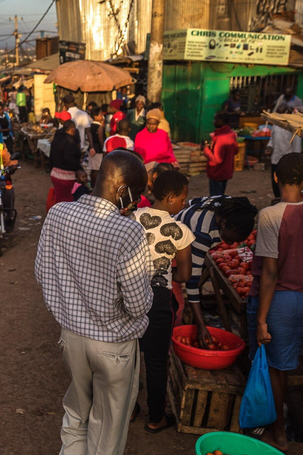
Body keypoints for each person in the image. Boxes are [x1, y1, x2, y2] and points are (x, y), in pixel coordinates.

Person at [35, 150, 152, 455]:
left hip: (71, 339)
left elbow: (42, 272)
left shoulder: (58, 214)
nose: (137, 202)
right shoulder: (129, 232)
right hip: (114, 346)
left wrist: (66, 308)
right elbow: (138, 306)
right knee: (107, 429)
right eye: (136, 194)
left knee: (75, 414)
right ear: (123, 190)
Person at [248, 152, 303, 452]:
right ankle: (277, 426)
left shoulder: (270, 215)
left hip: (276, 301)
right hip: (302, 300)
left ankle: (276, 431)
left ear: (276, 177)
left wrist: (260, 319)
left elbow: (269, 272)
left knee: (270, 369)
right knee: (281, 370)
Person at [132, 170, 194, 434]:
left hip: (129, 294)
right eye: (182, 199)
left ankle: (128, 408)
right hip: (158, 300)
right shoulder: (180, 231)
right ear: (170, 198)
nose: (184, 204)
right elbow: (184, 275)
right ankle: (156, 418)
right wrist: (164, 273)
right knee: (157, 361)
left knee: (128, 358)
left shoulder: (130, 219)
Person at [175, 196, 258, 346]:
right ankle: (170, 344)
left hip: (182, 235)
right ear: (224, 223)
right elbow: (192, 282)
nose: (231, 244)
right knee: (177, 306)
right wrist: (201, 325)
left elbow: (193, 202)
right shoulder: (202, 235)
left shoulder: (226, 203)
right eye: (231, 239)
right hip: (174, 247)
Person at [265, 105, 302, 198]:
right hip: (276, 158)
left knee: (286, 183)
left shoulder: (294, 127)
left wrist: (295, 162)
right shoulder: (276, 125)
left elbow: (296, 146)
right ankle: (277, 199)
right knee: (275, 182)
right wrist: (269, 146)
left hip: (288, 160)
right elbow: (272, 138)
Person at [49, 120, 86, 205]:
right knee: (67, 201)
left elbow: (51, 156)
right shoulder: (70, 142)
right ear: (72, 129)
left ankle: (57, 215)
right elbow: (69, 159)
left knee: (59, 199)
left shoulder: (57, 139)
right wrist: (79, 169)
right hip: (66, 178)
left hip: (55, 174)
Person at [203, 111, 238, 196]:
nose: (214, 122)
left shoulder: (220, 137)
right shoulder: (231, 134)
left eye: (215, 119)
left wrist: (206, 150)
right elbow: (235, 150)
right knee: (221, 196)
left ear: (221, 121)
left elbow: (217, 160)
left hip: (217, 173)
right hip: (226, 172)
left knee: (215, 199)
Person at [88, 104, 105, 186]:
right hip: (98, 150)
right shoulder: (99, 127)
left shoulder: (90, 126)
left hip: (92, 149)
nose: (102, 116)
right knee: (97, 169)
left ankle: (92, 184)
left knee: (93, 168)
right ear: (95, 116)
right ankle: (95, 185)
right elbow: (101, 139)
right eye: (100, 115)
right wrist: (103, 149)